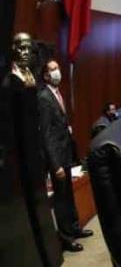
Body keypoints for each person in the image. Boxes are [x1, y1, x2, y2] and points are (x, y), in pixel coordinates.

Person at [37, 59, 91, 252]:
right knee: (61, 199)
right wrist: (56, 164)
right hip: (57, 158)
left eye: (57, 68)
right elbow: (46, 134)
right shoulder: (43, 97)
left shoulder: (58, 93)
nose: (57, 72)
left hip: (66, 153)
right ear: (45, 75)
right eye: (52, 69)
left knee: (68, 195)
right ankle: (66, 238)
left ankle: (75, 228)